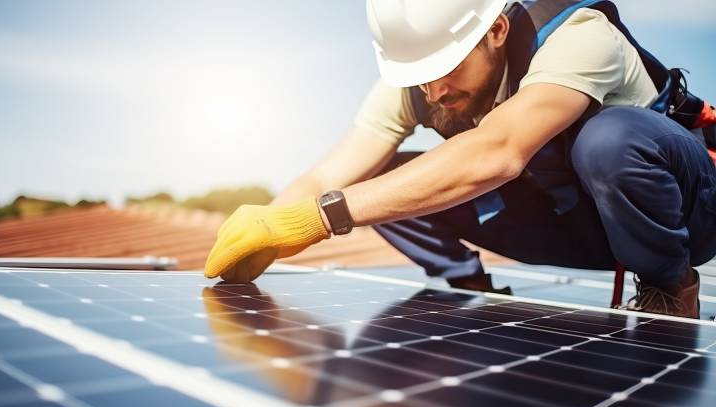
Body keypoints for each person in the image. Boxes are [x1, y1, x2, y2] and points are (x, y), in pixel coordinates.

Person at [205, 0, 716, 319]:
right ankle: (469, 286)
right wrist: (268, 226)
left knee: (608, 138)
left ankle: (672, 291)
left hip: (682, 215)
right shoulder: (419, 88)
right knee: (384, 175)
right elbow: (329, 175)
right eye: (419, 73)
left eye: (445, 67)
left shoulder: (580, 36)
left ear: (495, 30)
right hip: (576, 227)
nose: (434, 88)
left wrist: (320, 217)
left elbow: (499, 151)